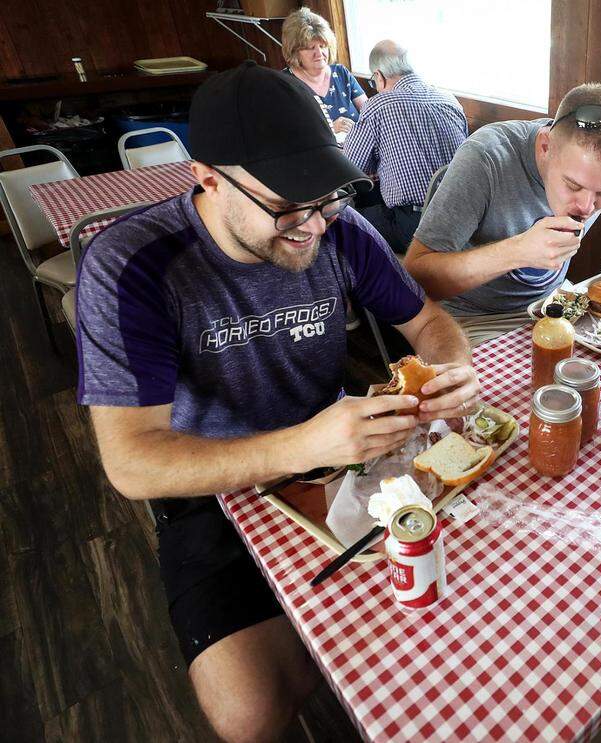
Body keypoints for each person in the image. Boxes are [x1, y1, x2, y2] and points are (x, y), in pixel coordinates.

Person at [75, 62, 480, 743]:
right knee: (251, 712)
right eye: (287, 204)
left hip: (341, 451)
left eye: (324, 198)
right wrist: (304, 444)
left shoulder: (339, 228)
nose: (314, 226)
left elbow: (430, 324)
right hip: (209, 480)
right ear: (207, 176)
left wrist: (451, 369)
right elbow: (132, 462)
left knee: (439, 608)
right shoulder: (132, 264)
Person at [404, 82, 601, 346]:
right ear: (545, 146)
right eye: (573, 185)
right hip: (474, 319)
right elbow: (415, 277)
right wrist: (518, 251)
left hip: (557, 305)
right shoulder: (486, 157)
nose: (587, 207)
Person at [344, 40, 468, 254]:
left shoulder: (378, 105)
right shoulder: (450, 100)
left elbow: (350, 168)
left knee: (341, 219)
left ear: (379, 77)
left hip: (415, 227)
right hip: (462, 221)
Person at [282, 7, 365, 135]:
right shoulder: (283, 83)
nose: (319, 53)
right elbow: (286, 134)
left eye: (322, 46)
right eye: (310, 48)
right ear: (294, 51)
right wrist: (329, 128)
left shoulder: (341, 73)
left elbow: (369, 113)